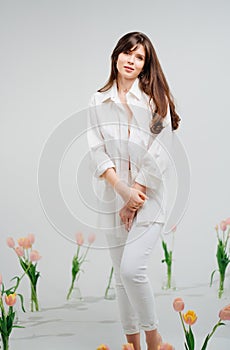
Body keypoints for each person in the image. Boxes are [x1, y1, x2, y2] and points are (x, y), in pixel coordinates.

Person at [87, 31, 180, 350]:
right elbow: (96, 149)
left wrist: (135, 192)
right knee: (120, 275)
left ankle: (154, 341)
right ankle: (133, 346)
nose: (131, 60)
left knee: (132, 269)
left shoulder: (156, 100)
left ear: (145, 65)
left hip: (150, 198)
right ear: (116, 56)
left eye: (139, 56)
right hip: (113, 198)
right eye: (127, 52)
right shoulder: (98, 100)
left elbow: (160, 150)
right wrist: (122, 191)